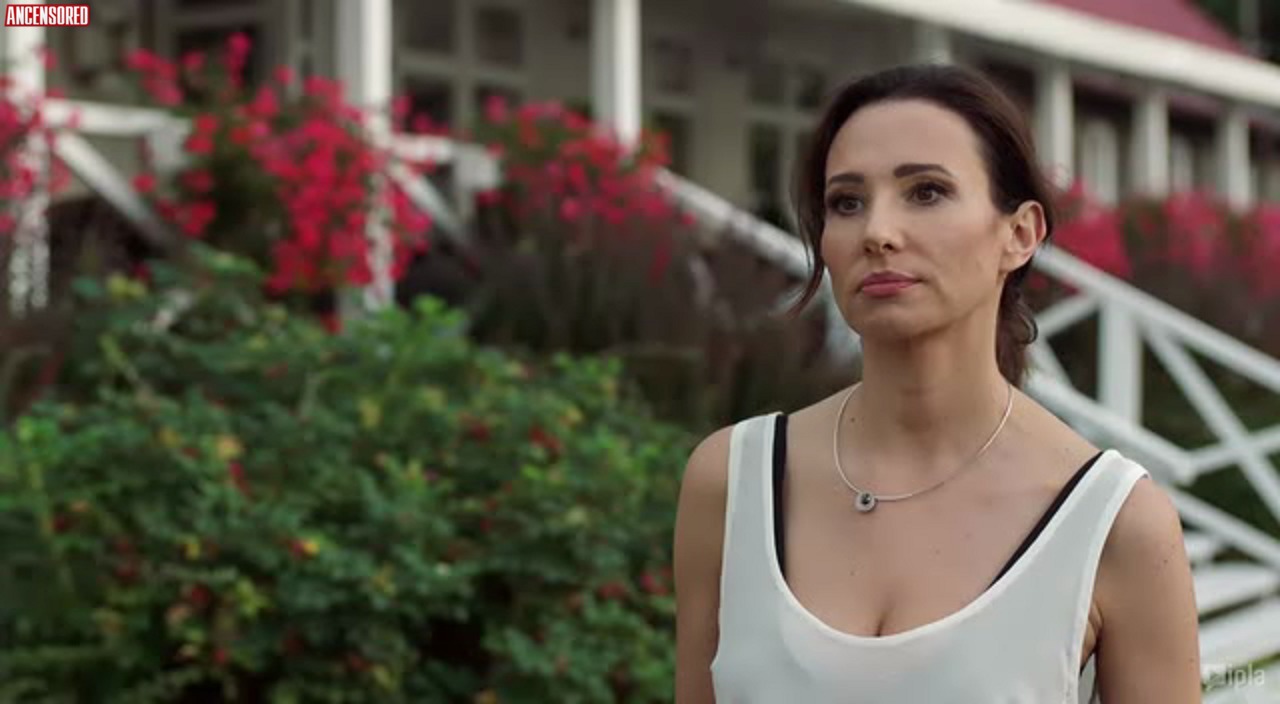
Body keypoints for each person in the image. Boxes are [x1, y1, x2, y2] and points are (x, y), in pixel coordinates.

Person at [672, 64, 1201, 703]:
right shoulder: (732, 483)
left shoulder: (1116, 523)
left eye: (926, 192)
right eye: (846, 202)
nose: (877, 233)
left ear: (1020, 234)